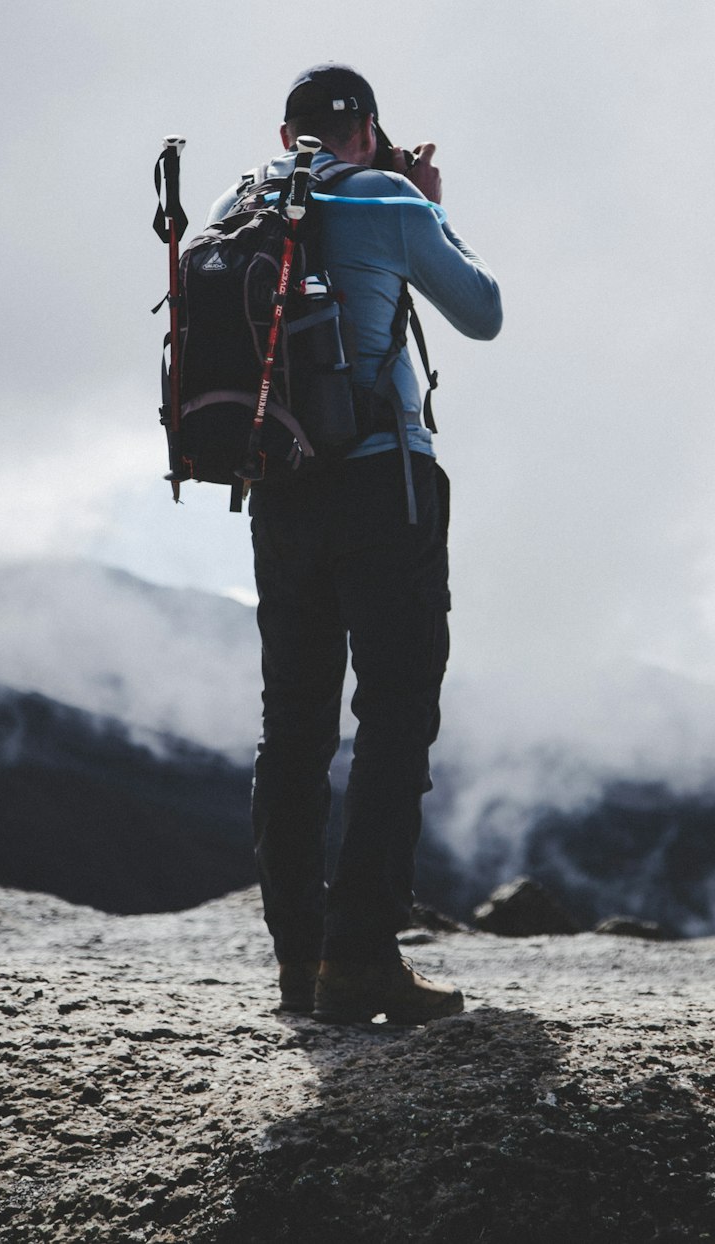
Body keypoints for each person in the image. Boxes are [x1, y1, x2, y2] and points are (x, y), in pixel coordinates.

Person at [205, 63, 502, 1023]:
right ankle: (361, 958)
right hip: (384, 483)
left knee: (292, 729)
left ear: (288, 129)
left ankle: (300, 964)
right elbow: (483, 312)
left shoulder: (238, 204)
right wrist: (428, 206)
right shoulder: (387, 197)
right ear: (368, 130)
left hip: (279, 492)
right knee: (395, 716)